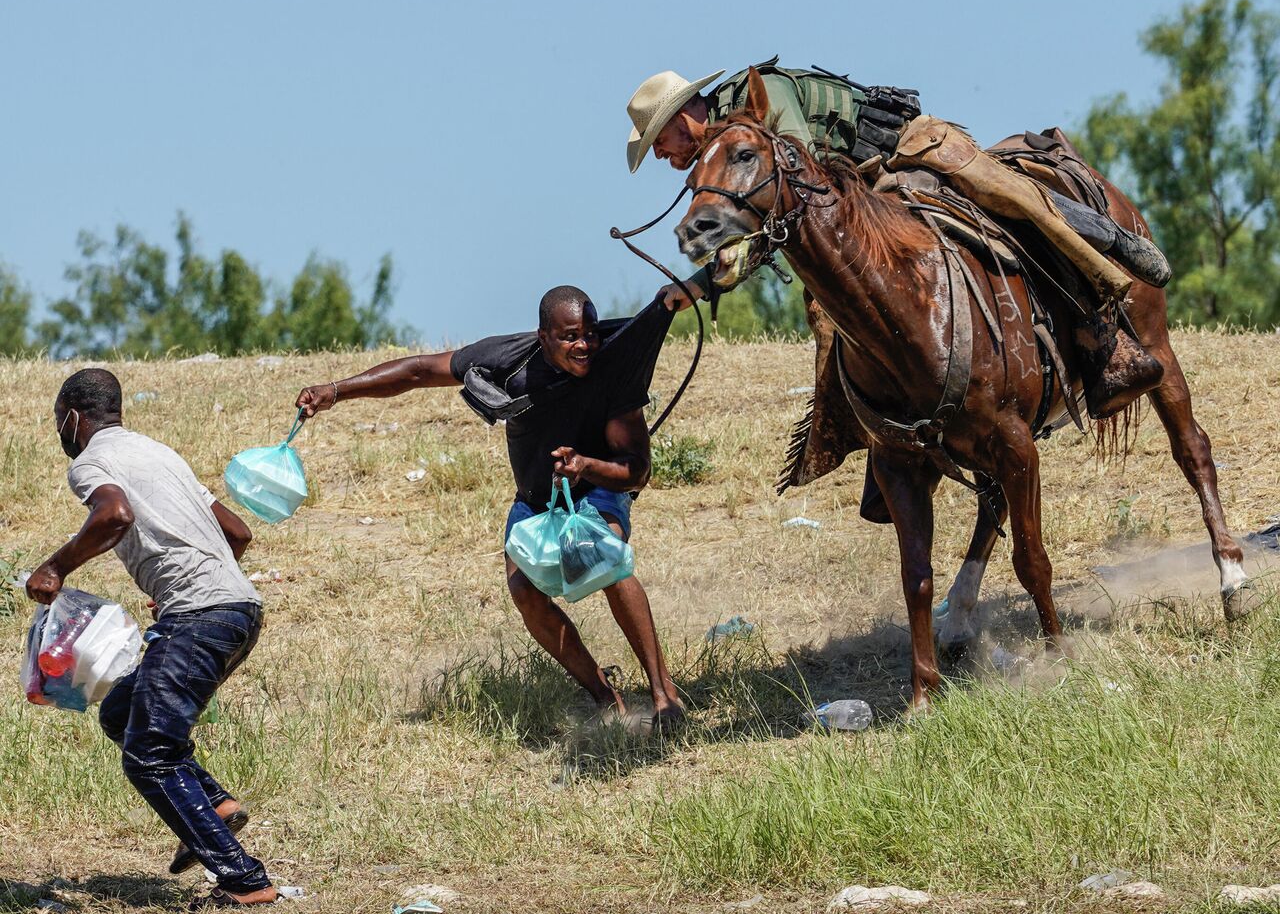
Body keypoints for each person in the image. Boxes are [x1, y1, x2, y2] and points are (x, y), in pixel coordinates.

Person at [625, 59, 1170, 418]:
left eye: (659, 139)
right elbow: (769, 224)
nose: (659, 154)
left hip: (907, 152)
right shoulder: (723, 158)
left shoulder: (758, 102)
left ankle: (1106, 298)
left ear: (684, 116)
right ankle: (875, 427)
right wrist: (700, 283)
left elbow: (797, 186)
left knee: (1012, 203)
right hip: (861, 199)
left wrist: (705, 279)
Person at [295, 286, 684, 728]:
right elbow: (420, 372)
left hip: (595, 489)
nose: (584, 346)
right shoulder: (507, 358)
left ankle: (663, 694)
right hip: (536, 502)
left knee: (604, 557)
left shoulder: (614, 369)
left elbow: (637, 471)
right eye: (571, 336)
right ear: (543, 336)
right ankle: (604, 697)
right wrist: (336, 390)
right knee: (525, 592)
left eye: (591, 334)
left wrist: (586, 465)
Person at [25, 368, 275, 909]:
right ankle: (215, 805)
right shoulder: (161, 453)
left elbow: (114, 514)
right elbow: (237, 532)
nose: (59, 433)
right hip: (239, 609)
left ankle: (244, 881)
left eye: (57, 421)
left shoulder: (92, 461)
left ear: (72, 416)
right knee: (121, 711)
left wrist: (55, 567)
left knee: (150, 754)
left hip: (200, 616)